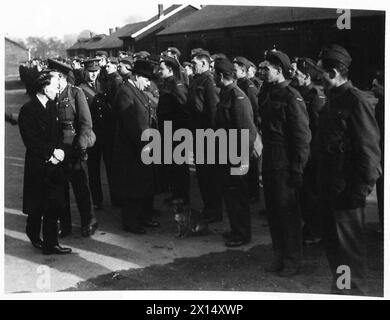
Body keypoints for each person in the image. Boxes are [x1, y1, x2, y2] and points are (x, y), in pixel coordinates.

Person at [317, 44, 381, 295]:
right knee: (335, 253)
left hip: (347, 195)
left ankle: (352, 294)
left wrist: (360, 191)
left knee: (349, 256)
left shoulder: (356, 101)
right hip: (330, 191)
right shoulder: (333, 99)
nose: (318, 78)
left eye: (321, 72)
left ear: (333, 72)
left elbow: (369, 151)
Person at [258, 50, 311, 277]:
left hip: (285, 162)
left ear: (279, 70)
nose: (262, 72)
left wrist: (298, 168)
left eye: (266, 69)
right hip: (269, 158)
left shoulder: (291, 96)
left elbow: (301, 136)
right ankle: (279, 254)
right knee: (273, 211)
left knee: (287, 213)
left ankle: (292, 260)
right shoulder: (267, 93)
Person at [18, 72, 72, 255]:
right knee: (37, 205)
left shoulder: (52, 106)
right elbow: (31, 140)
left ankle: (51, 244)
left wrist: (61, 151)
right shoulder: (28, 110)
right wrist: (50, 153)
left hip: (55, 163)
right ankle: (33, 232)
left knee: (54, 203)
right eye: (55, 86)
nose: (58, 89)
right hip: (38, 164)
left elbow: (58, 134)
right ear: (44, 88)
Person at [47, 59, 96, 238]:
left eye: (52, 77)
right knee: (60, 188)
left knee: (81, 187)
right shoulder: (51, 96)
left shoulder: (76, 93)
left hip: (75, 147)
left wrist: (81, 146)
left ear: (61, 78)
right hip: (58, 148)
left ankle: (88, 221)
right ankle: (65, 224)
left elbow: (85, 123)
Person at [112, 59, 160, 234]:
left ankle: (144, 217)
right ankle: (131, 222)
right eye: (146, 80)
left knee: (144, 185)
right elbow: (130, 125)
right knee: (133, 188)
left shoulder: (136, 90)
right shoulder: (125, 92)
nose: (148, 84)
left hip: (144, 146)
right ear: (138, 76)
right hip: (133, 150)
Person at [214, 58, 258, 247]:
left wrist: (241, 161)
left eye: (215, 74)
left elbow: (247, 131)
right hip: (226, 154)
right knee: (231, 195)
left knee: (238, 196)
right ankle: (235, 229)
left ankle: (242, 234)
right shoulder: (226, 93)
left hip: (237, 157)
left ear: (221, 75)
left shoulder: (237, 96)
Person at [294, 57, 327, 245]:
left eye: (298, 73)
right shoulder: (298, 93)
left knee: (312, 193)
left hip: (312, 154)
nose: (294, 76)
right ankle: (310, 225)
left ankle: (316, 230)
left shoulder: (316, 97)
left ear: (306, 76)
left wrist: (311, 155)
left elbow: (317, 129)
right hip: (303, 151)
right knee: (304, 193)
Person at [188, 48, 223, 223]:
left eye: (194, 63)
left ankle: (214, 211)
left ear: (204, 63)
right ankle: (209, 208)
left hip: (207, 136)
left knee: (210, 177)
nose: (192, 66)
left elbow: (213, 111)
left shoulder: (208, 81)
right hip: (198, 134)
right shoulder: (198, 80)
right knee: (203, 176)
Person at [80, 58, 116, 210]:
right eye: (90, 72)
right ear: (85, 72)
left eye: (96, 71)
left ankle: (116, 197)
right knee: (93, 169)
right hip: (92, 134)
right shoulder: (80, 89)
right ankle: (97, 200)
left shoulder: (104, 86)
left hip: (106, 133)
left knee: (111, 167)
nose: (93, 75)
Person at [157, 56, 189, 208]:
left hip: (177, 131)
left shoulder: (177, 85)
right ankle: (176, 193)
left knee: (180, 166)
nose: (159, 71)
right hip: (168, 131)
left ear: (170, 70)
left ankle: (183, 196)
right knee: (173, 166)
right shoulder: (167, 84)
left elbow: (183, 109)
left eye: (162, 68)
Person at [233, 56, 261, 203]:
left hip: (249, 128)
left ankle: (253, 193)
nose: (232, 72)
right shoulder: (238, 84)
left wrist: (253, 131)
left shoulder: (249, 86)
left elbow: (255, 110)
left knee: (251, 163)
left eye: (235, 69)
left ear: (243, 70)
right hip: (242, 128)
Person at [371, 70, 384, 234]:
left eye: (376, 86)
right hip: (381, 154)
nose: (373, 89)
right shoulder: (380, 105)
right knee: (381, 191)